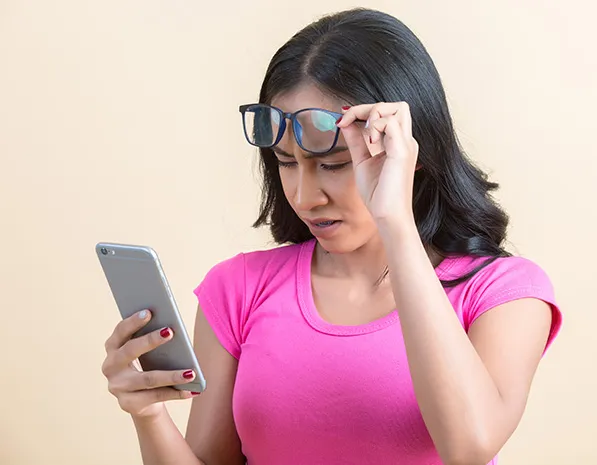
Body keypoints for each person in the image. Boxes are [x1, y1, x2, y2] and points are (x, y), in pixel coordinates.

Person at [101, 7, 562, 465]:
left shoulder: (502, 292)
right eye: (285, 162)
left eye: (335, 163)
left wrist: (395, 221)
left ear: (409, 152)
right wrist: (148, 414)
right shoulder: (238, 288)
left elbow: (469, 446)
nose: (305, 197)